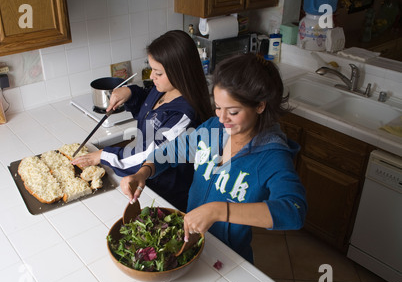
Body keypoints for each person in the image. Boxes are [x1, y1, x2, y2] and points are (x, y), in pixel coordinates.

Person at [119, 53, 307, 264]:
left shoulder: (272, 156)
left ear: (260, 106)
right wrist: (143, 172)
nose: (222, 117)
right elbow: (172, 151)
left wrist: (219, 210)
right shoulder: (213, 129)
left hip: (229, 257)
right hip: (190, 244)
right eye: (218, 107)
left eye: (233, 111)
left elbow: (294, 211)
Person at [72, 30, 213, 211]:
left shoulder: (184, 116)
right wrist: (130, 92)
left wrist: (103, 155)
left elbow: (151, 154)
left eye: (158, 73)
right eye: (152, 69)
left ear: (180, 72)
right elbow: (148, 105)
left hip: (166, 193)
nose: (151, 77)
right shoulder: (163, 89)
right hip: (146, 182)